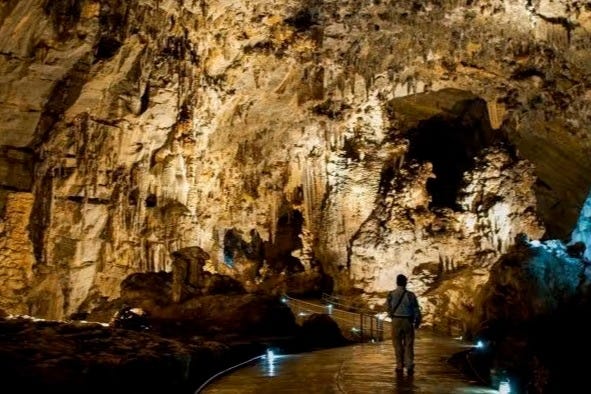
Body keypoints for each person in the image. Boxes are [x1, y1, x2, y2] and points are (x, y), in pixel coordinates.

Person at [387, 274, 422, 374]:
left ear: (397, 282)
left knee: (397, 344)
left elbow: (388, 308)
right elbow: (416, 309)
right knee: (409, 344)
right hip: (407, 321)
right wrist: (417, 321)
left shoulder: (391, 294)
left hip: (396, 320)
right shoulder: (410, 295)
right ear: (405, 282)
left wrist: (392, 316)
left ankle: (399, 365)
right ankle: (409, 365)